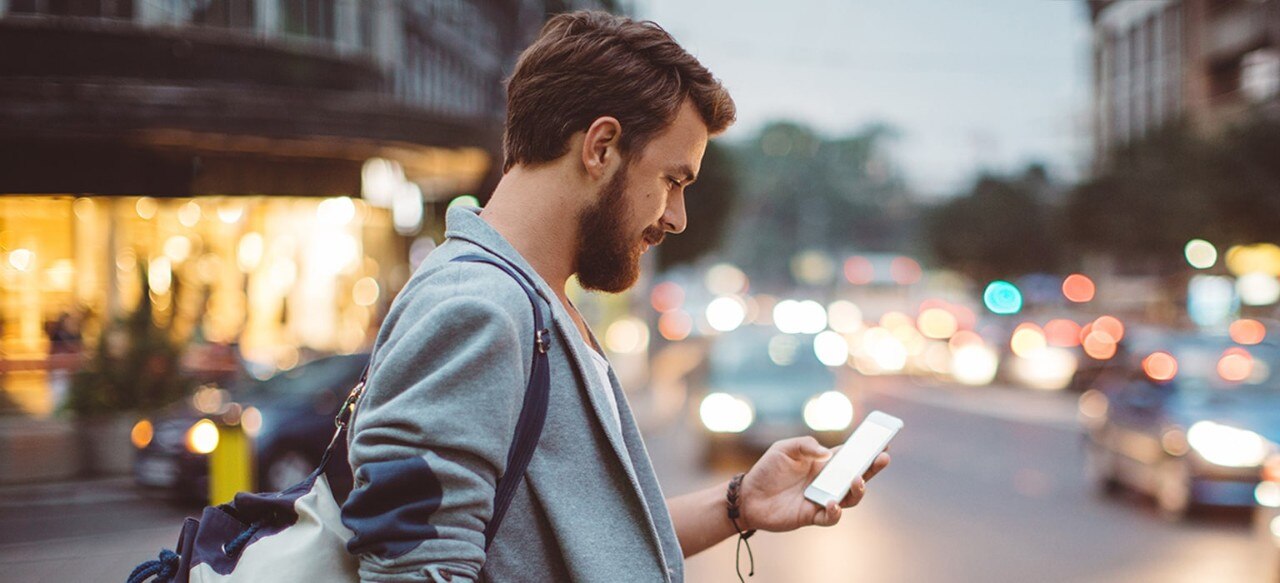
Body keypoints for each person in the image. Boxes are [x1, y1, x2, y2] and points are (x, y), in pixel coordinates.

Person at [342, 11, 890, 582]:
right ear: (601, 147)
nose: (676, 218)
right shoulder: (476, 308)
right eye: (673, 181)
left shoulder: (532, 302)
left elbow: (581, 547)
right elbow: (412, 573)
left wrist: (737, 503)